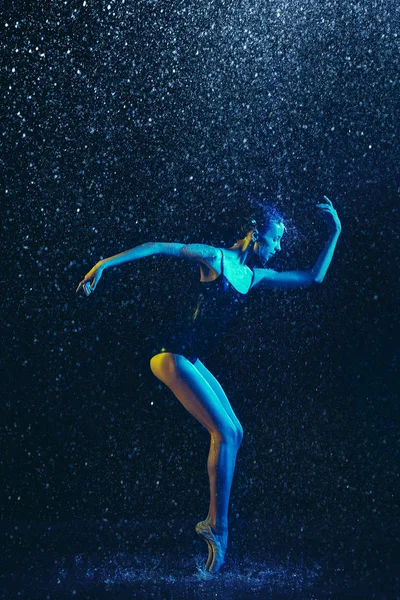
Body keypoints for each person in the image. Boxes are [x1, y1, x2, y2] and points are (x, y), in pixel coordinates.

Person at [76, 196, 342, 573]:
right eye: (276, 239)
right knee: (225, 434)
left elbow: (312, 278)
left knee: (235, 430)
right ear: (254, 235)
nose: (279, 247)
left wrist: (335, 232)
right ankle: (217, 526)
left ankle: (216, 524)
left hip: (191, 359)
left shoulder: (254, 277)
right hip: (171, 355)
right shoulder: (214, 258)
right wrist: (103, 264)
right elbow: (157, 247)